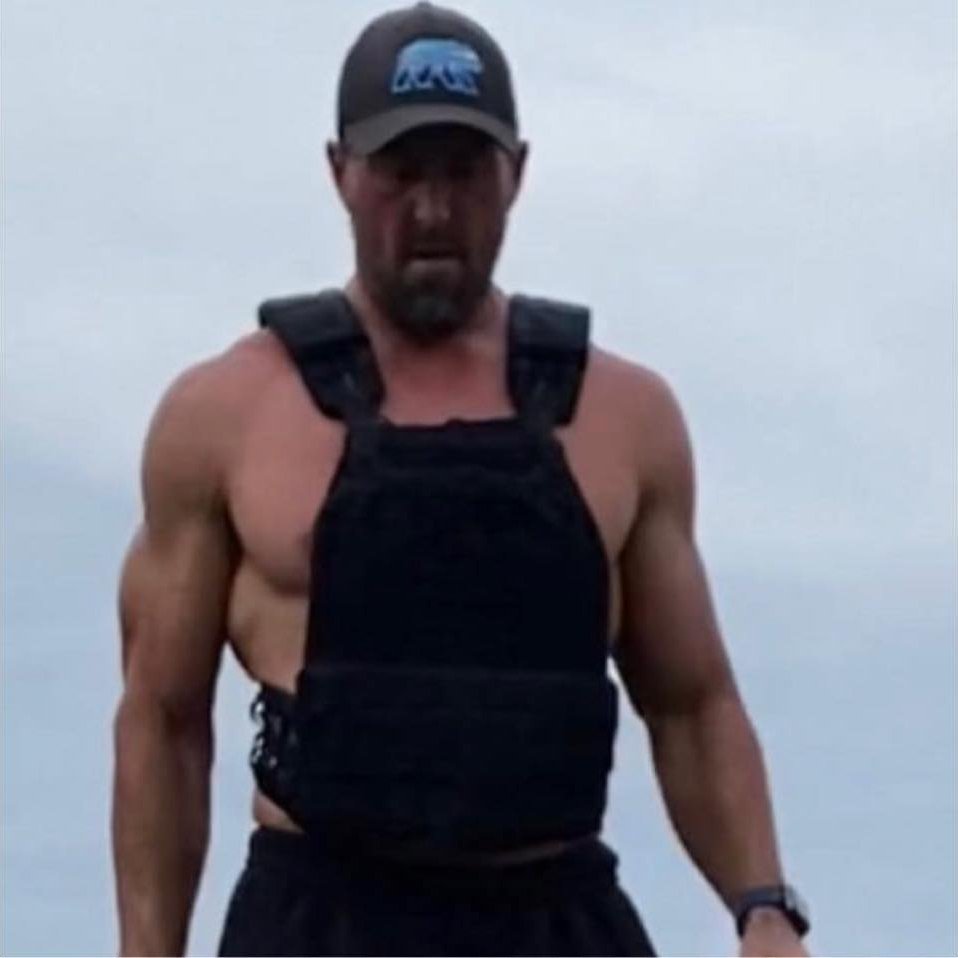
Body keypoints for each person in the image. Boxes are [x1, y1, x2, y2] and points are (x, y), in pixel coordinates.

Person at [111, 4, 811, 956]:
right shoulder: (226, 416)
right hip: (320, 923)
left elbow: (692, 703)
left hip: (555, 918)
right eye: (401, 172)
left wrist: (764, 910)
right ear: (340, 172)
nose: (434, 211)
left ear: (517, 173)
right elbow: (162, 720)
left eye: (464, 172)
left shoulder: (623, 418)